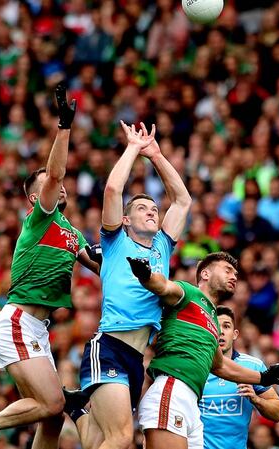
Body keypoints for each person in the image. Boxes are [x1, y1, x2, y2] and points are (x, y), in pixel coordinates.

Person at [0, 85, 100, 449]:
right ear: (36, 198)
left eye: (64, 184)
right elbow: (54, 175)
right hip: (17, 321)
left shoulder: (71, 232)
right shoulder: (39, 219)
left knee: (51, 416)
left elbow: (99, 266)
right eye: (52, 184)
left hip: (36, 327)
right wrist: (64, 127)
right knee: (53, 403)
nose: (61, 186)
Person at [70, 121, 192, 449]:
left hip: (137, 358)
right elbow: (112, 190)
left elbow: (182, 202)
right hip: (109, 347)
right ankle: (78, 409)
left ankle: (77, 410)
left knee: (101, 441)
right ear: (126, 220)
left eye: (154, 208)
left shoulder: (162, 246)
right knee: (122, 438)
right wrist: (133, 149)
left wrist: (155, 155)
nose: (152, 211)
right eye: (142, 208)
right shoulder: (115, 242)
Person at [126, 252, 279, 449]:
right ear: (205, 273)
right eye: (228, 270)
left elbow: (220, 366)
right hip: (172, 388)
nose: (234, 276)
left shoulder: (212, 320)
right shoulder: (190, 293)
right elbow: (163, 286)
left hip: (190, 403)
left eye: (236, 273)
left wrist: (263, 378)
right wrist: (147, 276)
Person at [199, 305, 279, 449]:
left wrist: (255, 399)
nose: (221, 332)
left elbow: (278, 413)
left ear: (235, 334)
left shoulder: (252, 366)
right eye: (215, 326)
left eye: (226, 326)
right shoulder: (197, 366)